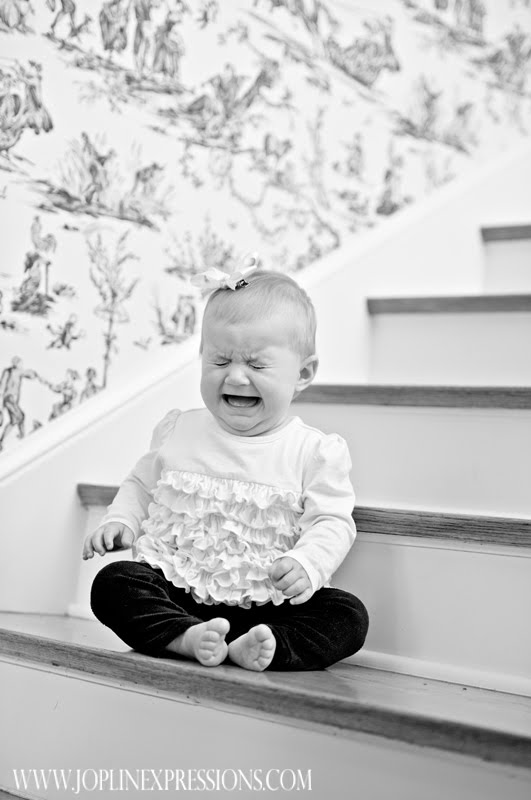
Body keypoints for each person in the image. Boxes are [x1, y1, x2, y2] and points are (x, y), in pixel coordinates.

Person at [84, 260, 368, 672]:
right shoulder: (180, 430)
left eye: (256, 365)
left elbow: (333, 521)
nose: (235, 378)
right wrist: (121, 520)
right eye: (219, 362)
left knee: (348, 615)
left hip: (268, 602)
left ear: (303, 373)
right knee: (114, 584)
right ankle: (184, 636)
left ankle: (266, 645)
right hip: (180, 590)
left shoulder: (313, 452)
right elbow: (141, 486)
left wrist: (308, 563)